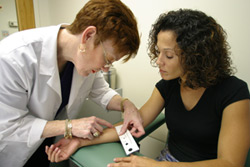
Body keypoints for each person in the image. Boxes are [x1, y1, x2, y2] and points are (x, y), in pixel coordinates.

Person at [45, 9, 250, 167]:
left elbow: (230, 163)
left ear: (197, 56)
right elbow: (131, 125)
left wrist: (158, 166)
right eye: (158, 52)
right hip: (166, 161)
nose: (158, 61)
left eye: (168, 55)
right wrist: (81, 141)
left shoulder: (234, 93)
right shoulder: (168, 86)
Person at [0, 0, 145, 166]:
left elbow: (102, 92)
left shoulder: (81, 60)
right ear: (88, 35)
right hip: (10, 152)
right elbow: (7, 127)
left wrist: (127, 105)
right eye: (107, 59)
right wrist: (69, 126)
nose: (105, 69)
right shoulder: (12, 58)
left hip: (42, 148)